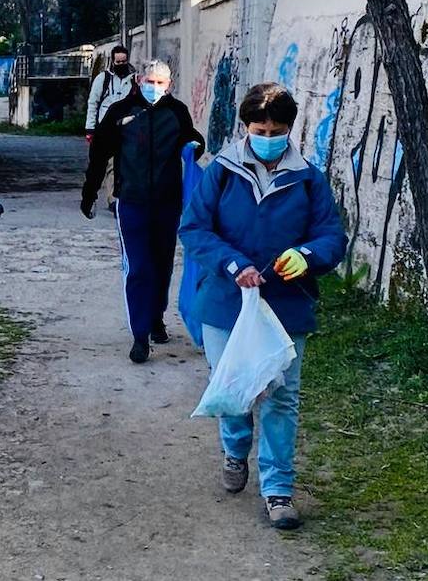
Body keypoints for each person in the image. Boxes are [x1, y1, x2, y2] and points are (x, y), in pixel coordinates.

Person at [178, 83, 347, 531]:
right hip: (226, 303)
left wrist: (308, 256)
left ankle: (278, 489)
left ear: (290, 129)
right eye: (260, 128)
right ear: (246, 128)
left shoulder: (308, 177)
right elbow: (194, 228)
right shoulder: (222, 170)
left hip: (287, 305)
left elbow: (332, 236)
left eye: (277, 129)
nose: (268, 136)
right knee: (234, 388)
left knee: (281, 397)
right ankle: (235, 451)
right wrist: (233, 264)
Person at [81, 60, 204, 363]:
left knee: (162, 264)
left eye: (161, 83)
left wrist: (195, 145)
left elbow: (193, 139)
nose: (154, 87)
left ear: (169, 85)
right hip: (132, 200)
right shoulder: (120, 112)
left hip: (167, 201)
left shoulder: (177, 111)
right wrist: (90, 192)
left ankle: (156, 318)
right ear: (139, 80)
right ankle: (139, 335)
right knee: (138, 267)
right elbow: (99, 154)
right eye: (149, 81)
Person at [84, 45, 137, 213]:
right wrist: (90, 129)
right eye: (118, 61)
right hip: (105, 128)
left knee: (124, 162)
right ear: (112, 61)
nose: (121, 64)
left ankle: (123, 194)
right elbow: (93, 103)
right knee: (110, 164)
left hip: (127, 127)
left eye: (124, 61)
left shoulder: (134, 79)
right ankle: (113, 199)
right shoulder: (103, 79)